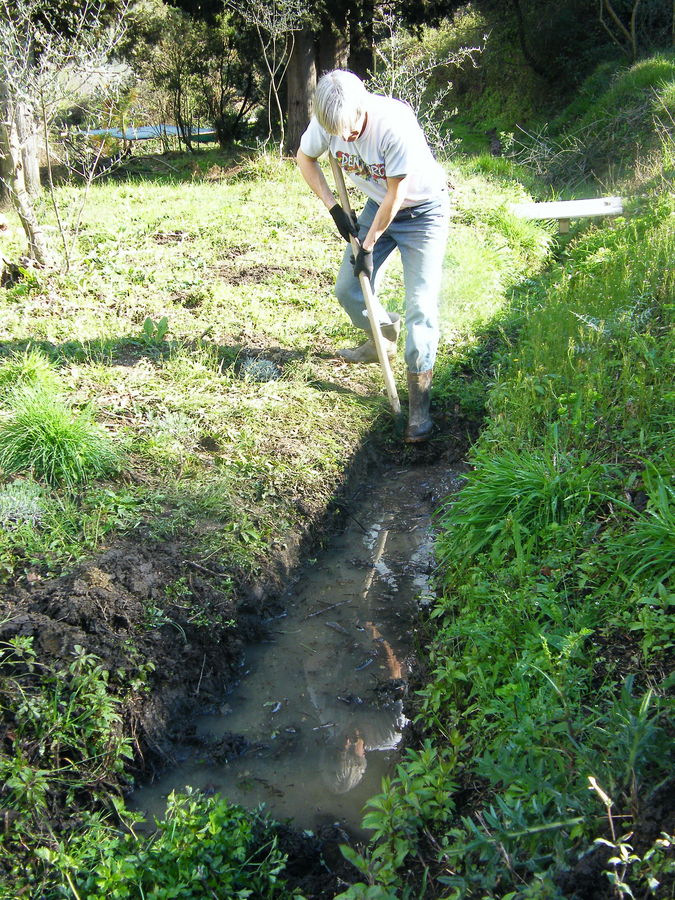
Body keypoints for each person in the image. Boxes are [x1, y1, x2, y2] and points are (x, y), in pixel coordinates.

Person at [296, 69, 450, 442]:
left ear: (363, 109)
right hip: (374, 205)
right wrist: (334, 207)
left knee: (420, 307)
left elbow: (398, 195)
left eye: (349, 131)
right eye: (337, 133)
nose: (344, 138)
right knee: (348, 290)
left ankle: (419, 407)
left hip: (422, 211)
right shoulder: (328, 122)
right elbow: (305, 158)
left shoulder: (394, 123)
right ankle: (383, 336)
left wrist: (367, 246)